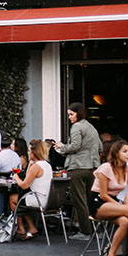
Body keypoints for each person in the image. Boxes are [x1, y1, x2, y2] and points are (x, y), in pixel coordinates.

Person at [54, 102, 102, 240]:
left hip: (77, 167)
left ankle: (85, 232)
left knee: (79, 201)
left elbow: (75, 146)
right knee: (91, 200)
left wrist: (61, 147)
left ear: (78, 113)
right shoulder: (91, 127)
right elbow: (100, 147)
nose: (69, 117)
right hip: (92, 167)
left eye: (71, 114)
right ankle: (96, 230)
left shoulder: (76, 127)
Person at [10, 139, 53, 240]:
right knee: (21, 199)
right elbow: (28, 178)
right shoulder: (47, 165)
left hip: (38, 200)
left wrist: (16, 178)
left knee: (13, 199)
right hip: (48, 199)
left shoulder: (36, 167)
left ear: (34, 152)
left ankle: (21, 228)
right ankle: (31, 227)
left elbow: (24, 185)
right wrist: (30, 164)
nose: (28, 153)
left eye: (30, 151)